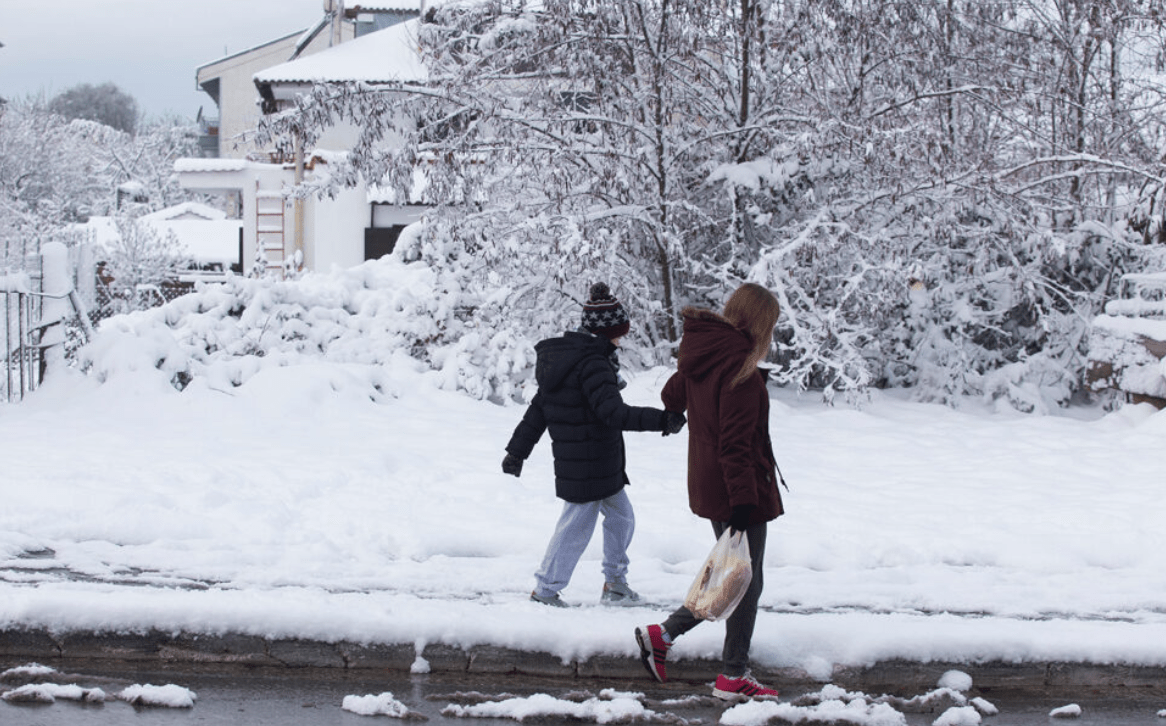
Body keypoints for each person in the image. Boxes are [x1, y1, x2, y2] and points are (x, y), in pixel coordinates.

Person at [634, 282, 786, 702]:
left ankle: (665, 635)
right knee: (743, 580)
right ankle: (731, 674)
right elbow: (735, 446)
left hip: (711, 483)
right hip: (737, 490)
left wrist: (691, 387)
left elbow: (671, 397)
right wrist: (744, 502)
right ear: (761, 323)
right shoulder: (740, 371)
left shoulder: (706, 353)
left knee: (732, 572)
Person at [503, 282, 687, 607]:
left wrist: (517, 452)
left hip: (600, 464)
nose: (620, 341)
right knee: (575, 529)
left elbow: (538, 410)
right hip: (585, 466)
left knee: (622, 519)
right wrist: (662, 420)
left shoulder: (572, 360)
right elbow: (613, 413)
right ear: (607, 333)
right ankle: (545, 591)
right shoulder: (592, 364)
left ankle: (615, 584)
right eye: (618, 335)